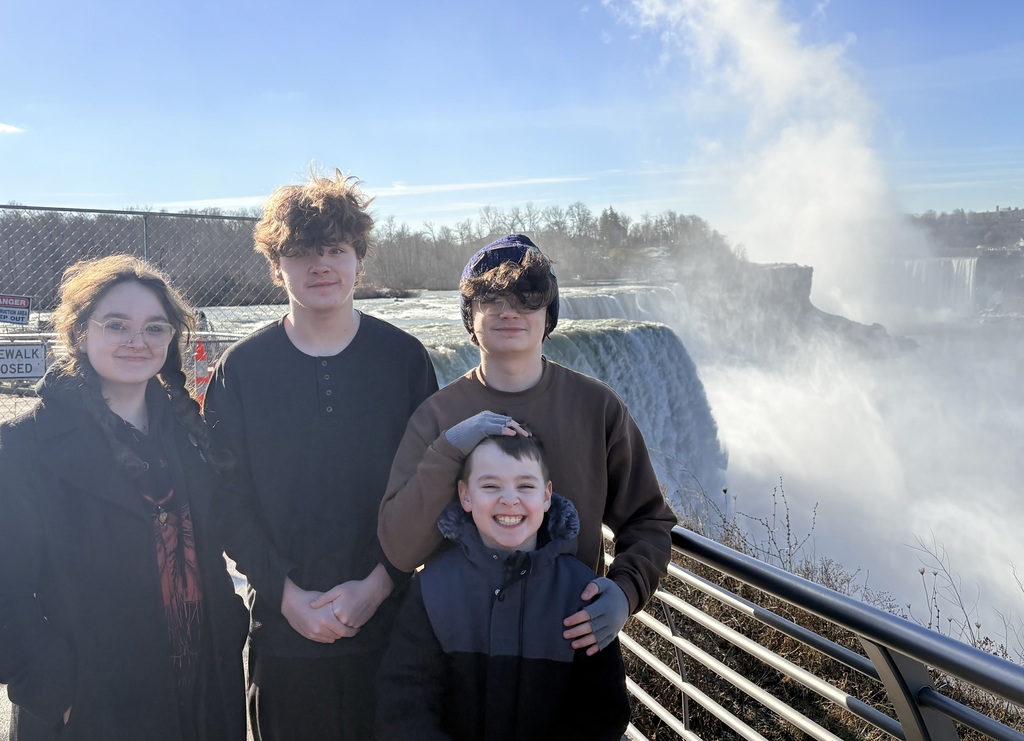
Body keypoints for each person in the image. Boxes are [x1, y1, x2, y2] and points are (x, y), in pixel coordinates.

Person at [203, 169, 439, 740]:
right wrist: (286, 596)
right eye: (301, 252)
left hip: (393, 633)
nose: (320, 265)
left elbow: (432, 485)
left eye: (336, 249)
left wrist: (380, 583)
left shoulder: (402, 359)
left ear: (360, 260)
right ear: (276, 266)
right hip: (284, 638)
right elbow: (224, 498)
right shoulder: (243, 370)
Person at [379, 233, 676, 659]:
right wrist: (448, 450)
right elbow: (401, 549)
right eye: (491, 300)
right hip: (457, 655)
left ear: (548, 314)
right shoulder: (437, 416)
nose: (509, 312)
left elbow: (648, 519)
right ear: (470, 316)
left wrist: (626, 592)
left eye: (527, 298)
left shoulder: (596, 407)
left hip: (568, 649)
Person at [0, 255, 248, 741]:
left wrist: (230, 622)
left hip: (204, 692)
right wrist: (51, 689)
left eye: (155, 328)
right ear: (77, 334)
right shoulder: (24, 445)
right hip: (92, 707)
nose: (138, 341)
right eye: (117, 325)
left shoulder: (190, 434)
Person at [377, 434, 630, 740]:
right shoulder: (432, 590)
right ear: (465, 495)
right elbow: (404, 702)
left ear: (547, 496)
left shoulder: (582, 594)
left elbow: (602, 712)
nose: (509, 499)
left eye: (525, 486)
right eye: (491, 486)